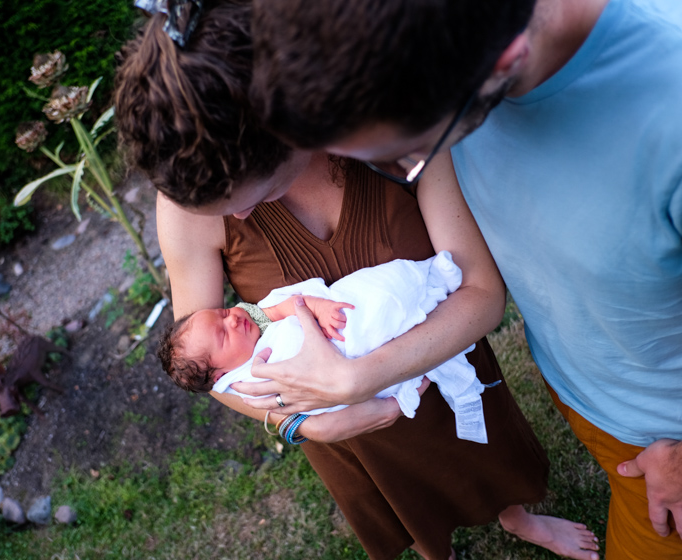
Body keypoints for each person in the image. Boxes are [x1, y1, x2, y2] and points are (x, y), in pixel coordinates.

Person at [114, 2, 599, 559]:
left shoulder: (390, 125)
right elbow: (206, 364)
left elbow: (483, 297)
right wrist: (305, 426)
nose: (240, 219)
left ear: (285, 125)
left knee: (480, 450)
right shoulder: (187, 198)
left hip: (437, 352)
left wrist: (357, 379)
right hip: (342, 424)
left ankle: (515, 515)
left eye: (247, 199)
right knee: (404, 493)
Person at [250, 0, 682, 558]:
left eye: (405, 160)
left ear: (505, 58)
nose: (408, 174)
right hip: (585, 386)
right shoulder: (456, 55)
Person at [159, 253, 492, 446]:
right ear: (221, 374)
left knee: (371, 299)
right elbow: (295, 405)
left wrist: (317, 308)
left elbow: (290, 304)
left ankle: (428, 281)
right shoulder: (242, 382)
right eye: (222, 335)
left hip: (341, 328)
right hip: (353, 391)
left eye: (222, 313)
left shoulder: (258, 317)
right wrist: (310, 422)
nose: (233, 320)